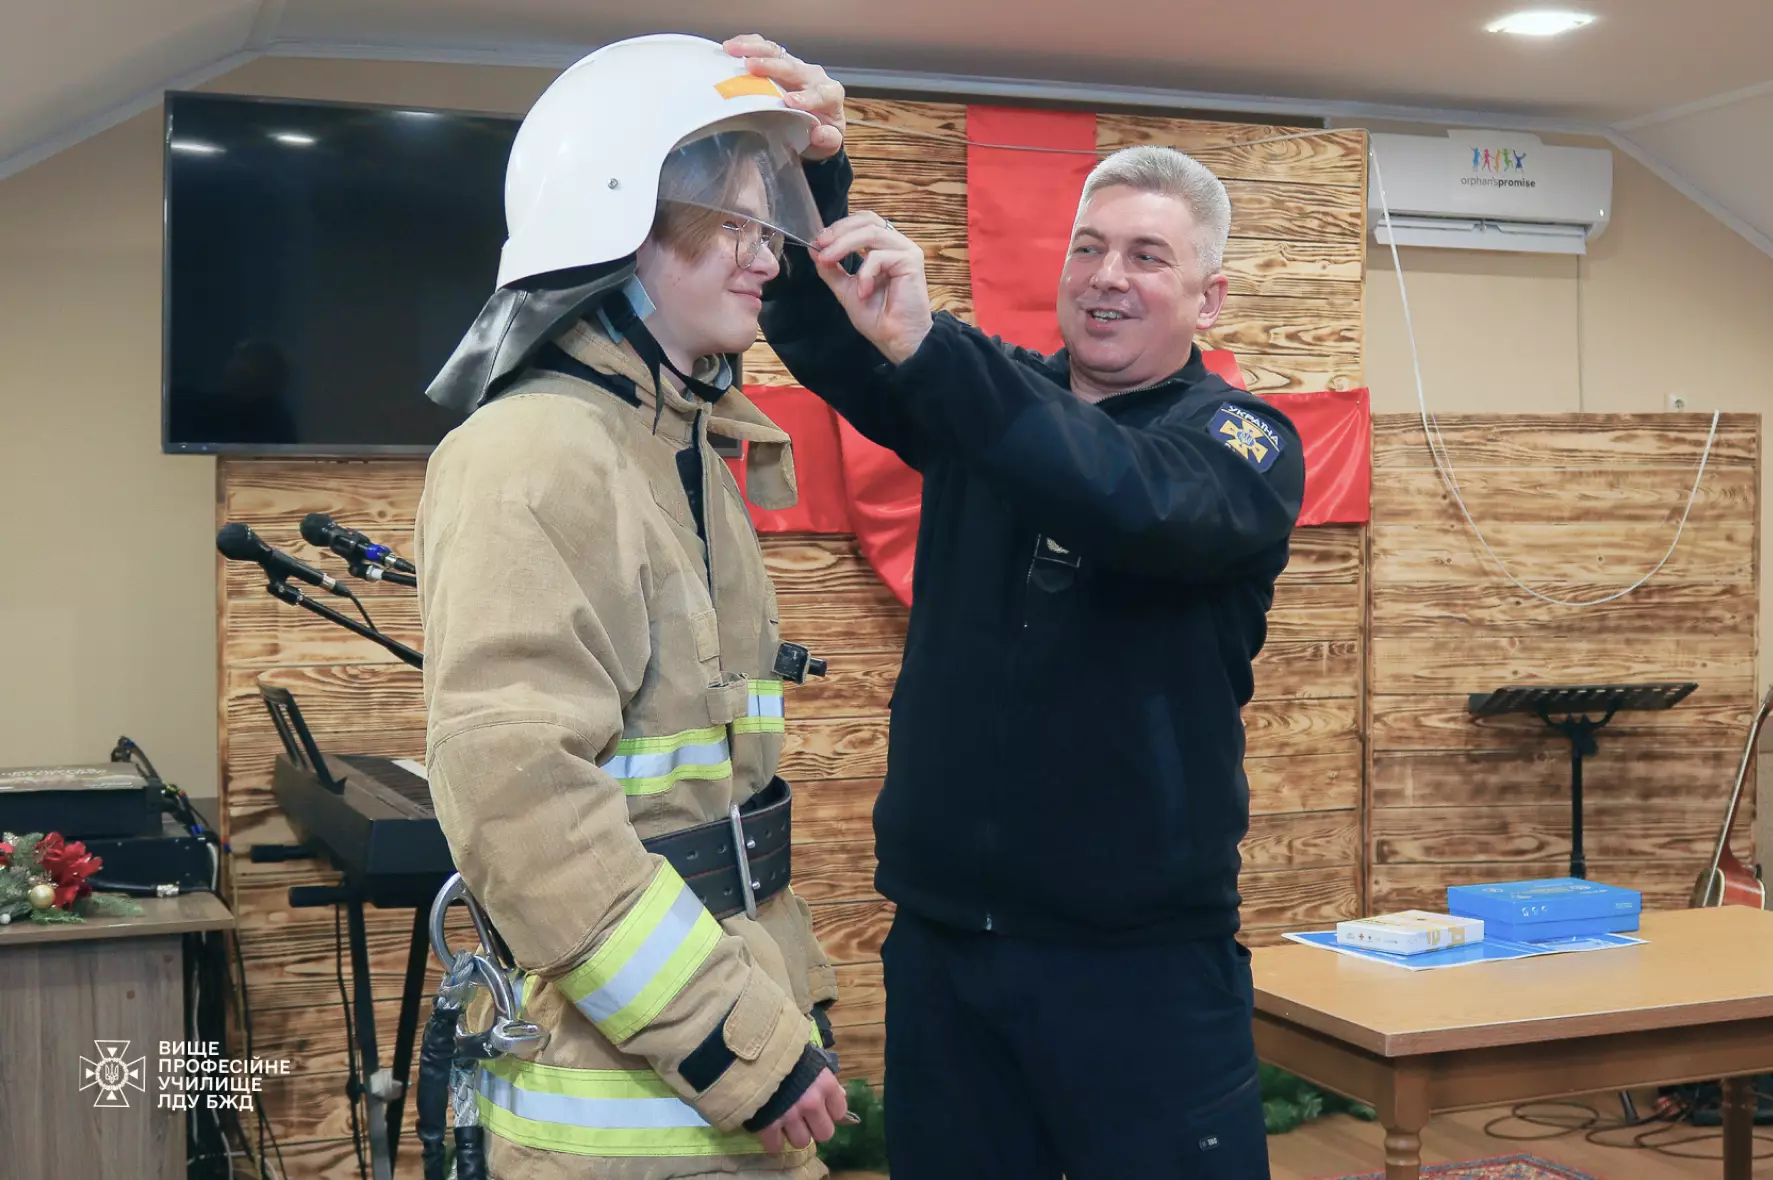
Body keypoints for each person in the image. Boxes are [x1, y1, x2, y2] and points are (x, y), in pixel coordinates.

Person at [725, 34, 1307, 1180]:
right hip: (947, 951)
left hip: (1139, 967)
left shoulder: (1241, 443)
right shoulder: (990, 396)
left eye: (1147, 256)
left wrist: (934, 349)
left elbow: (1126, 497)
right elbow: (823, 324)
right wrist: (810, 168)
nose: (1106, 275)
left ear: (1210, 296)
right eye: (1089, 246)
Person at [412, 33, 851, 1180]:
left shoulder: (675, 443)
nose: (767, 257)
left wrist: (774, 1019)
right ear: (616, 223)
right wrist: (735, 1039)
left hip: (730, 1061)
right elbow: (523, 809)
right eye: (736, 222)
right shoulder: (535, 454)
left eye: (770, 222)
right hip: (631, 1116)